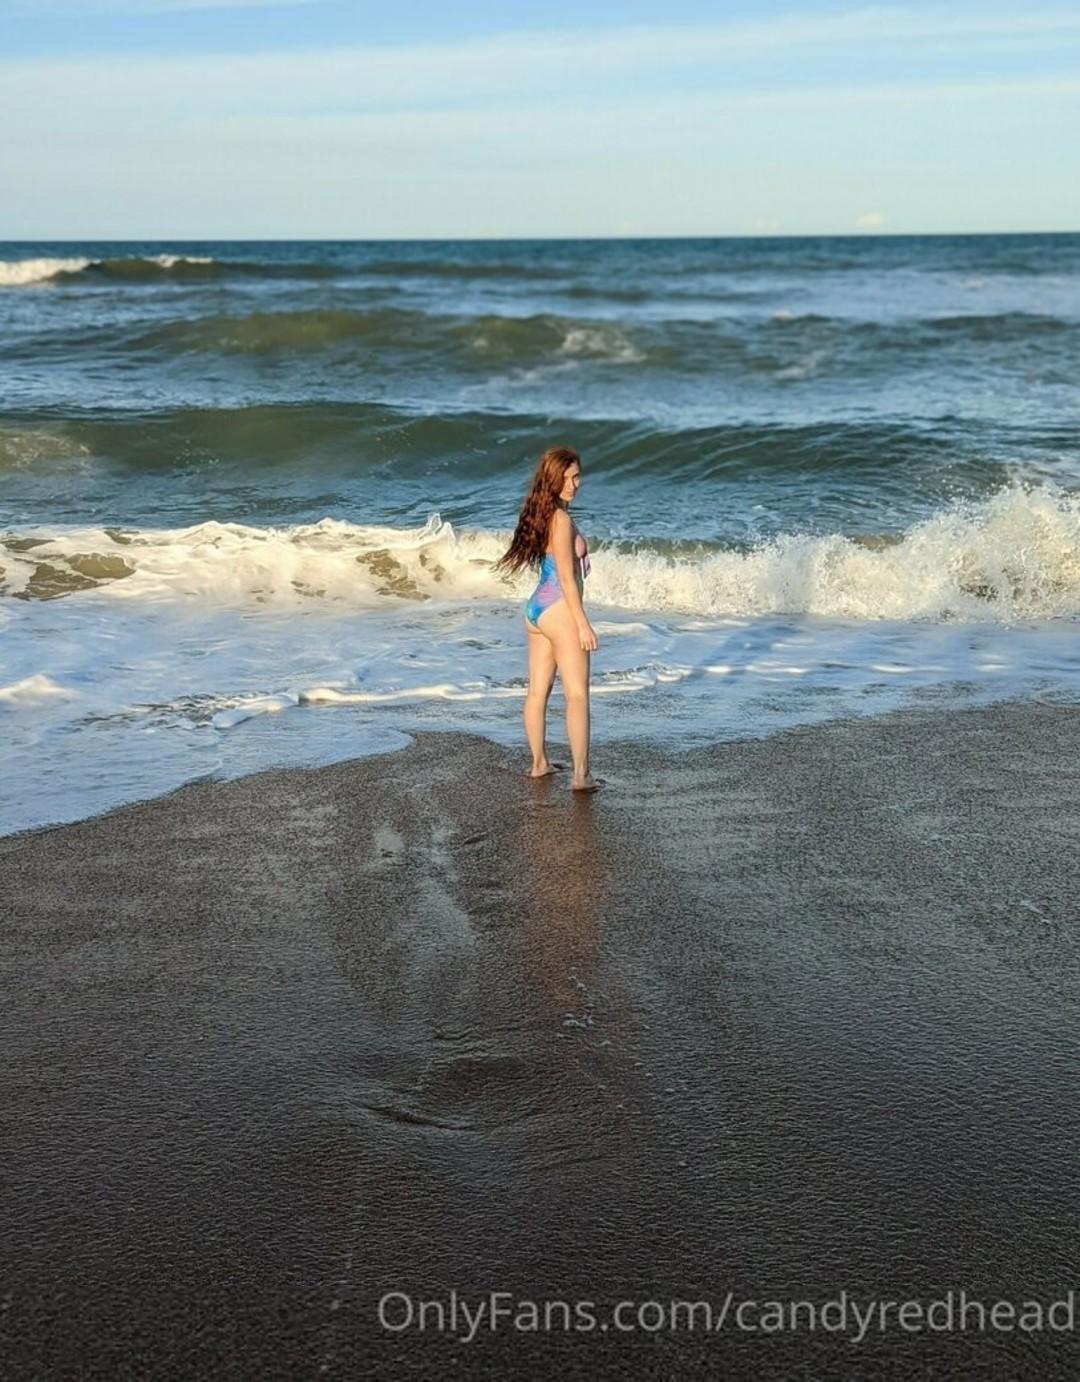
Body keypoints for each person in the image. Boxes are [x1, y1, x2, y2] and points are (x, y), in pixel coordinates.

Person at [494, 445, 599, 793]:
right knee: (577, 695)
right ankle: (581, 776)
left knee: (538, 692)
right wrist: (582, 623)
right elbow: (567, 579)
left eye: (577, 476)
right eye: (566, 479)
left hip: (537, 610)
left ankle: (539, 764)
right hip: (559, 609)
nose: (574, 484)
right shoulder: (561, 520)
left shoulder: (545, 514)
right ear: (552, 480)